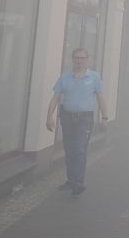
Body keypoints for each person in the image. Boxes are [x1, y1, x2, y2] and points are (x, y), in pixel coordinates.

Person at [45, 48, 108, 197]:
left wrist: (105, 117)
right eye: (76, 58)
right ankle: (71, 180)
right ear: (72, 59)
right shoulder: (65, 77)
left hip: (84, 119)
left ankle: (78, 182)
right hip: (67, 118)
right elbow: (56, 97)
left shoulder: (94, 77)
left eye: (82, 58)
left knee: (79, 150)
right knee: (69, 150)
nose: (79, 61)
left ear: (88, 60)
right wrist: (49, 117)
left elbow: (101, 97)